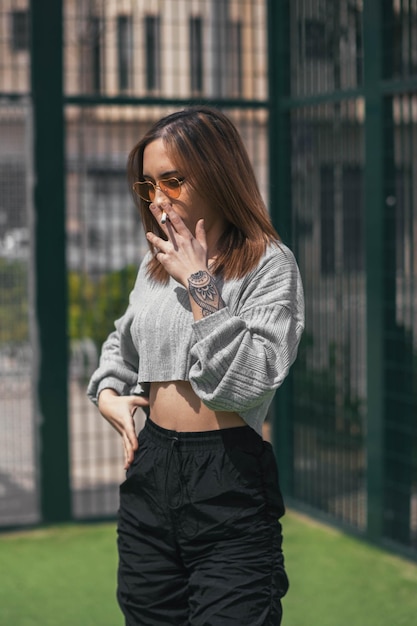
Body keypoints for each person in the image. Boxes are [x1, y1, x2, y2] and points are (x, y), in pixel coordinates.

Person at [87, 106, 304, 626]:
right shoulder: (154, 264)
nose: (158, 200)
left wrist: (200, 282)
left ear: (216, 171)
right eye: (148, 185)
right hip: (151, 468)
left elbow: (247, 383)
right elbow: (123, 343)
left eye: (173, 181)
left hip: (228, 474)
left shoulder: (269, 264)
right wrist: (109, 395)